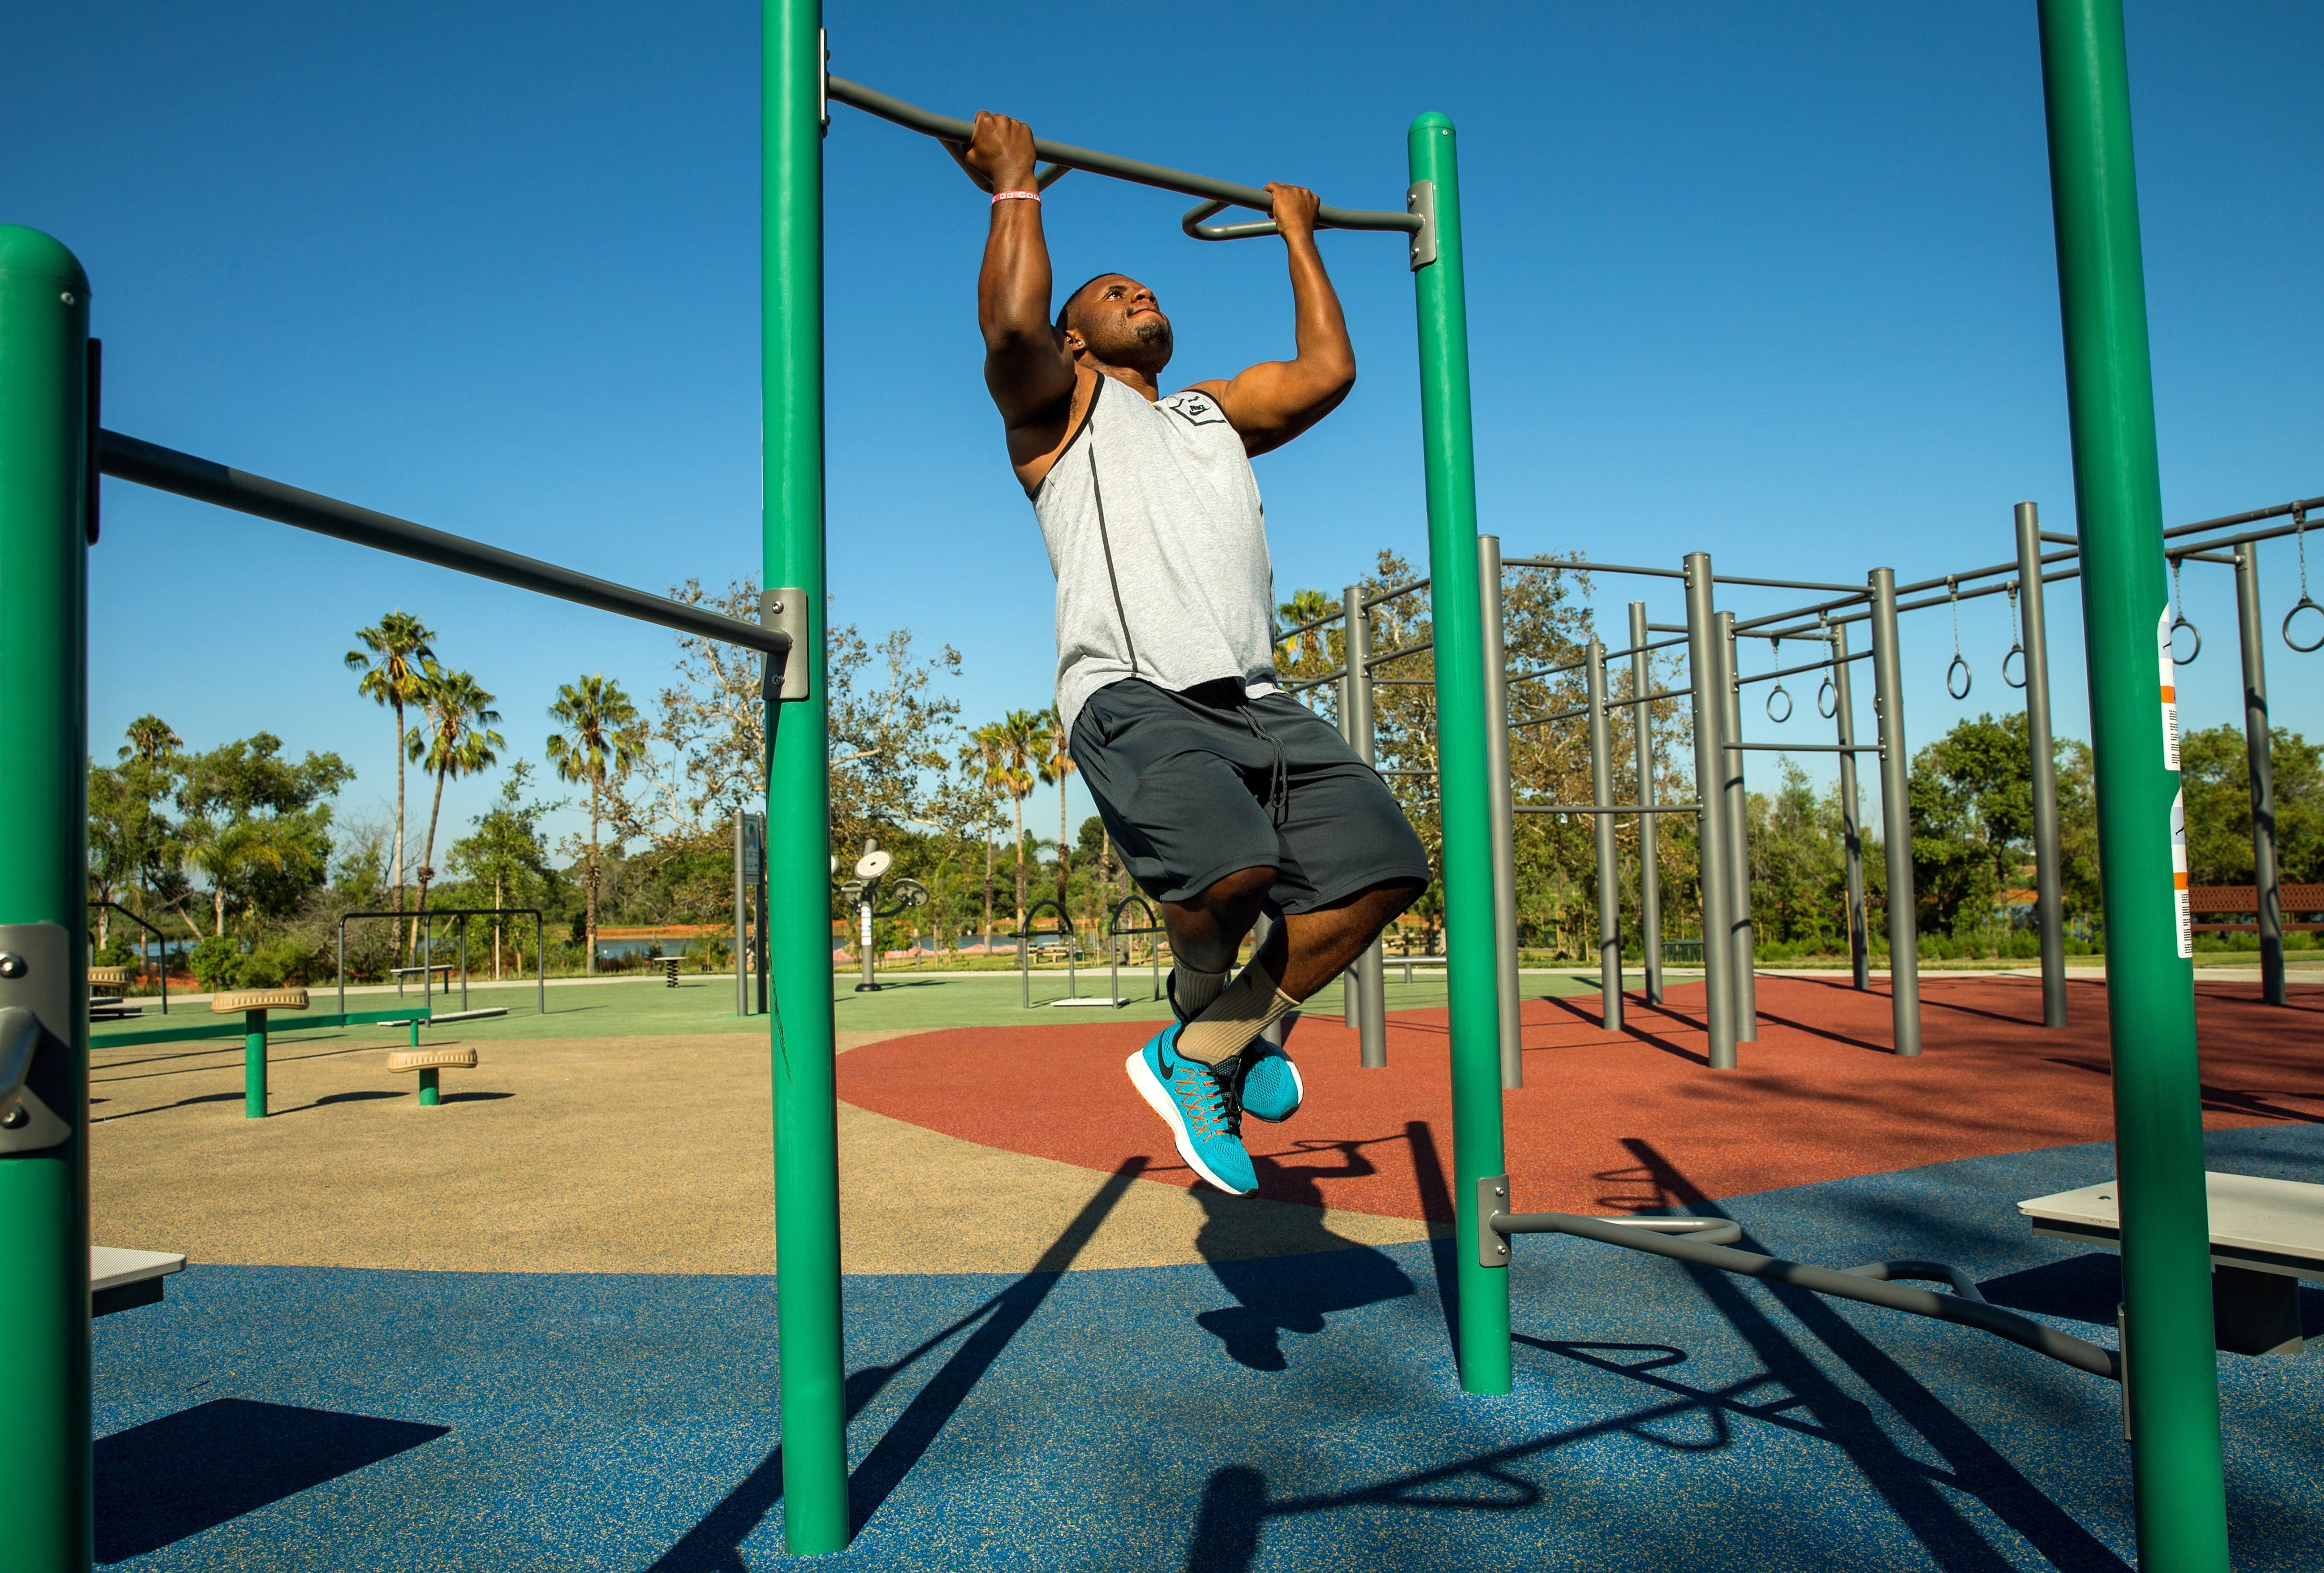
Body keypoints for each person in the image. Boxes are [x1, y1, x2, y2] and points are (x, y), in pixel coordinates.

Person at [962, 111, 1429, 1197]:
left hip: (1258, 697)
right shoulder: (1057, 410)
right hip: (1130, 687)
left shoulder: (1207, 413)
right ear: (1075, 338)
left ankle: (1211, 1039)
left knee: (1380, 867)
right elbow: (1009, 335)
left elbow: (1325, 371)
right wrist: (1016, 188)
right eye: (1111, 291)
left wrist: (1295, 234)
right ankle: (1204, 1001)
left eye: (1149, 288)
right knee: (1236, 867)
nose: (1139, 294)